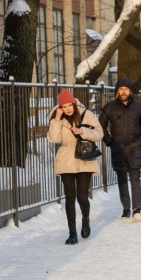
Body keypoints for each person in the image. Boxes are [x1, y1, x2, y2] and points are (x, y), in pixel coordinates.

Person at [47, 88, 104, 244]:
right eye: (64, 107)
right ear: (61, 108)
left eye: (69, 105)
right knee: (69, 197)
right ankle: (72, 233)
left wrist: (83, 131)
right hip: (66, 158)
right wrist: (57, 119)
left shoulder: (86, 114)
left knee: (82, 196)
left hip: (84, 158)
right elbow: (54, 139)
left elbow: (99, 133)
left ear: (73, 103)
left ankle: (85, 219)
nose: (68, 109)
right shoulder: (58, 118)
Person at [99, 78, 141, 221]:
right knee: (122, 179)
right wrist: (109, 141)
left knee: (135, 178)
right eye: (121, 89)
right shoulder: (109, 107)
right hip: (118, 147)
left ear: (131, 91)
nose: (123, 92)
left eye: (126, 89)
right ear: (117, 91)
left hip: (135, 147)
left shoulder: (139, 107)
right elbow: (100, 126)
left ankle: (137, 209)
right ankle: (126, 208)